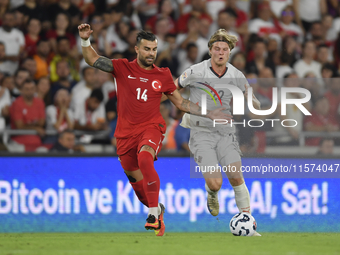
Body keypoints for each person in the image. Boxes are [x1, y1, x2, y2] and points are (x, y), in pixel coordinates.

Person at [78, 23, 230, 236]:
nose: (151, 53)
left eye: (154, 49)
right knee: (137, 184)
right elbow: (92, 59)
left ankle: (151, 215)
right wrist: (85, 40)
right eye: (147, 49)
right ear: (137, 50)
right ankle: (157, 209)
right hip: (124, 133)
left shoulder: (163, 75)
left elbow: (180, 103)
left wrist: (209, 113)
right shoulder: (122, 67)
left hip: (151, 127)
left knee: (145, 159)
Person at [174, 29, 261, 236]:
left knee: (236, 175)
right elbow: (173, 88)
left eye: (224, 49)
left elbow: (253, 99)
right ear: (210, 51)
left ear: (229, 52)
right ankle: (211, 192)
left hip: (225, 133)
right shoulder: (196, 71)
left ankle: (248, 222)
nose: (220, 52)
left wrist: (254, 106)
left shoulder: (236, 75)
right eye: (216, 48)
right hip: (201, 132)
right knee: (216, 182)